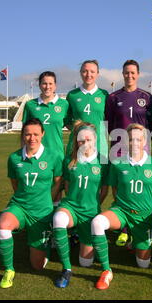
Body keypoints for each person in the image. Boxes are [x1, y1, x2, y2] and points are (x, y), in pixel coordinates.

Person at [90, 123, 152, 290]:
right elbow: (115, 190)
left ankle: (135, 239)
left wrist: (144, 206)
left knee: (143, 264)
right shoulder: (117, 164)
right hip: (121, 211)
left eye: (138, 139)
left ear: (144, 141)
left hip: (143, 217)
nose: (134, 143)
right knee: (97, 223)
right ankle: (106, 270)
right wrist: (124, 206)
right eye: (130, 139)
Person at [0, 118, 63, 288]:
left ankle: (45, 243)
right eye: (27, 134)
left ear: (42, 134)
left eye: (35, 134)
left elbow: (57, 182)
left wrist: (47, 201)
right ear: (22, 135)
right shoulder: (14, 158)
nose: (31, 138)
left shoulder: (54, 157)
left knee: (37, 266)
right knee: (3, 225)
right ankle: (9, 270)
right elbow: (15, 184)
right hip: (20, 205)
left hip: (42, 212)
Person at [52, 121, 109, 288]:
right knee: (59, 219)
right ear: (76, 141)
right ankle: (66, 269)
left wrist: (95, 206)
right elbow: (67, 186)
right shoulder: (70, 160)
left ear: (95, 140)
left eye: (89, 140)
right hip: (71, 207)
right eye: (81, 141)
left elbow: (104, 190)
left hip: (90, 211)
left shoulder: (103, 161)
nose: (85, 144)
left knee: (86, 262)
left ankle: (79, 238)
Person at [105, 59, 152, 246]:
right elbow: (108, 125)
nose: (130, 75)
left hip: (142, 150)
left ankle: (141, 227)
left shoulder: (147, 97)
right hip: (119, 150)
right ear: (122, 74)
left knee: (141, 189)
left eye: (133, 72)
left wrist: (143, 144)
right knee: (120, 188)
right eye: (127, 72)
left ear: (138, 74)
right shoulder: (113, 97)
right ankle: (124, 229)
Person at [65, 60, 109, 158]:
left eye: (92, 71)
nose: (88, 74)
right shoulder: (72, 95)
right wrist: (79, 131)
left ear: (97, 74)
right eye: (85, 71)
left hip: (99, 145)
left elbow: (109, 120)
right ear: (80, 73)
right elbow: (67, 121)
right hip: (76, 144)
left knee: (100, 172)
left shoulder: (104, 95)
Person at [22, 71, 69, 159]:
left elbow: (71, 126)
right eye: (44, 83)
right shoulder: (30, 105)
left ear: (55, 85)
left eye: (50, 84)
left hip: (57, 154)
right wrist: (24, 154)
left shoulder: (64, 104)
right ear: (39, 85)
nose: (47, 87)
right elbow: (24, 133)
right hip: (35, 155)